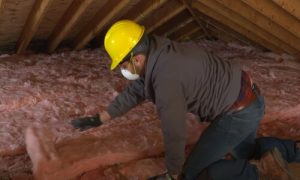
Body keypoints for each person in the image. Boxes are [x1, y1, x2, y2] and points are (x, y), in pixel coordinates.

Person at [71, 20, 299, 179]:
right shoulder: (160, 51)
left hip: (237, 114)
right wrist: (101, 118)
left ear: (137, 58)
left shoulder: (166, 79)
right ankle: (294, 152)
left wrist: (173, 173)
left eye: (122, 63)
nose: (122, 69)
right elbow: (138, 90)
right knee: (245, 151)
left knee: (194, 173)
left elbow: (174, 133)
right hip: (249, 98)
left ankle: (262, 173)